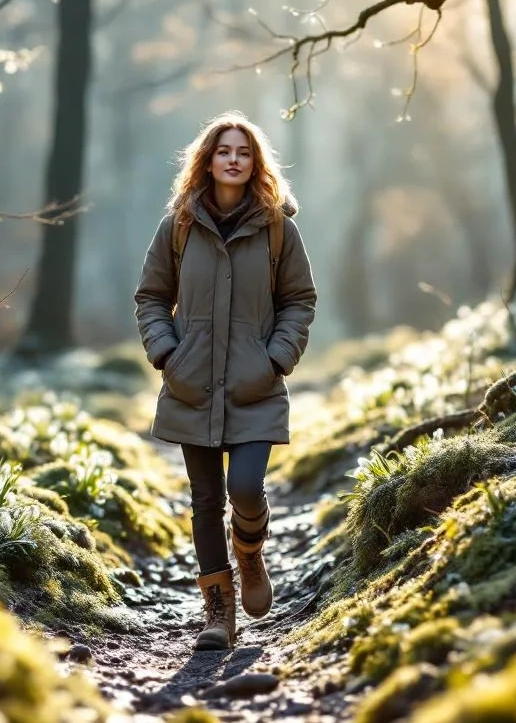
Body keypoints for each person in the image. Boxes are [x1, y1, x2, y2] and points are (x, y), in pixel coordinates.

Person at [134, 111, 317, 651]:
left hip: (254, 386)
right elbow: (150, 296)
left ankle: (251, 549)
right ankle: (218, 611)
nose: (233, 159)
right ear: (207, 161)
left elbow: (299, 300)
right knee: (205, 500)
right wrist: (167, 350)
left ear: (255, 162)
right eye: (223, 151)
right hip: (191, 386)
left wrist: (278, 357)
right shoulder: (179, 226)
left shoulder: (279, 228)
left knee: (245, 488)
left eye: (243, 151)